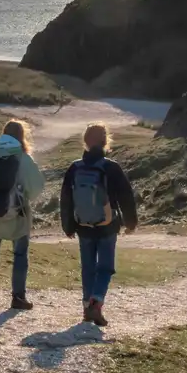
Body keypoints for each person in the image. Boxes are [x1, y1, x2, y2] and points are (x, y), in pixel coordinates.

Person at [59, 122, 137, 327]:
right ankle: (96, 302)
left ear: (85, 141)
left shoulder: (75, 167)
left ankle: (87, 308)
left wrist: (67, 225)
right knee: (105, 268)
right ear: (105, 141)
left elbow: (66, 199)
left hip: (83, 225)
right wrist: (130, 223)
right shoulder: (111, 167)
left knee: (87, 267)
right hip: (108, 225)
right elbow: (126, 197)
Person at [0, 118, 45, 311]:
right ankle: (18, 297)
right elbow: (37, 187)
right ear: (22, 137)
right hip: (18, 214)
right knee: (20, 254)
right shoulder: (24, 158)